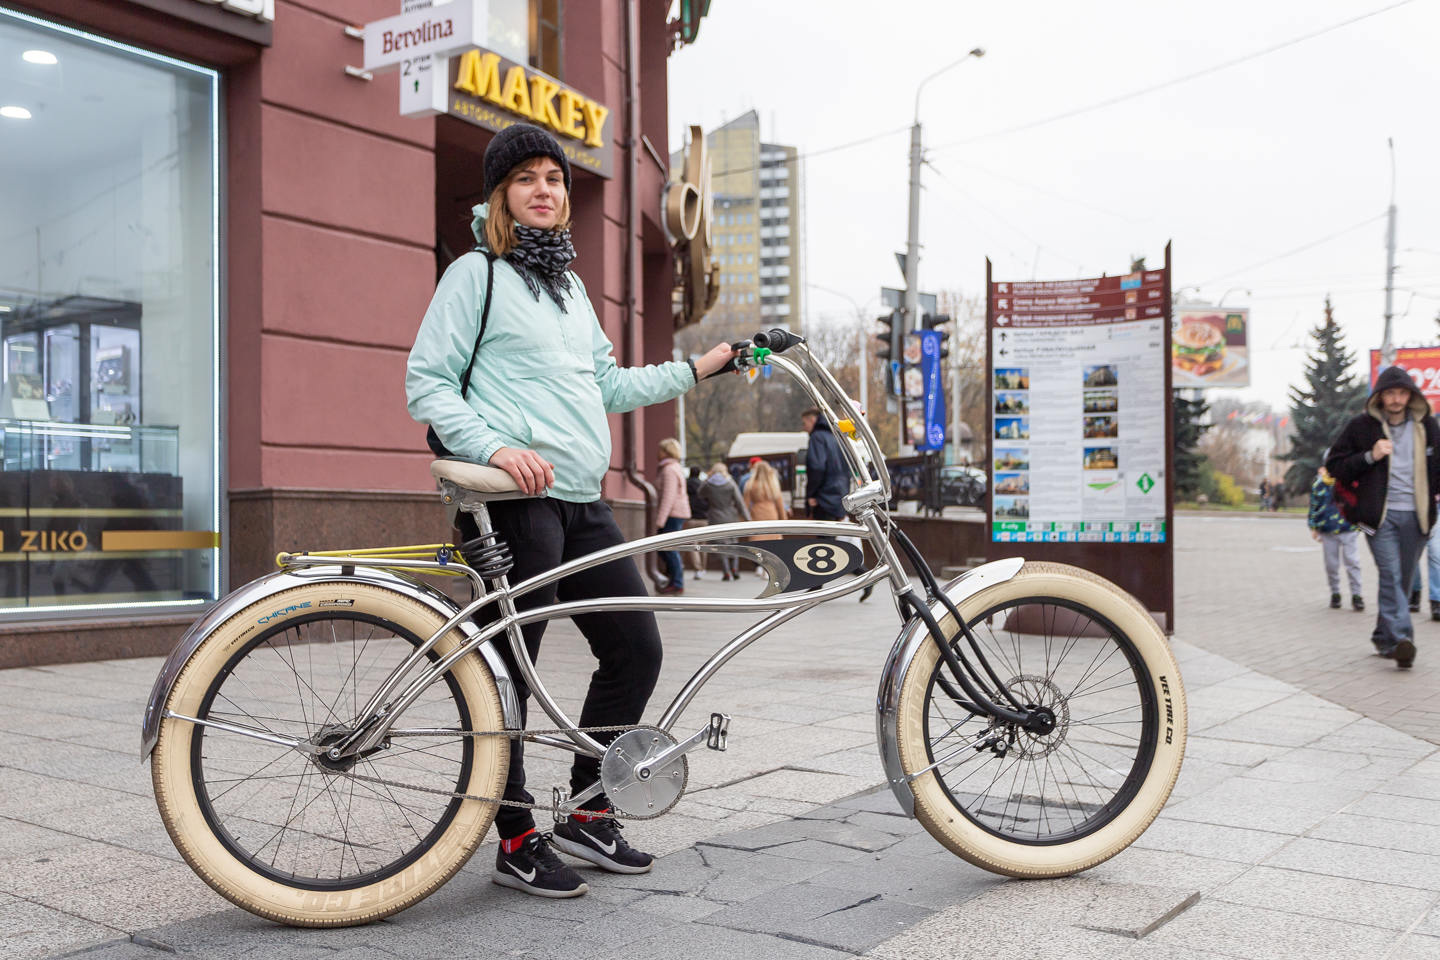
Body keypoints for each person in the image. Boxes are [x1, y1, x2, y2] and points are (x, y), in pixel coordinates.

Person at [406, 123, 736, 898]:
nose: (546, 189)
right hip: (515, 502)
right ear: (500, 195)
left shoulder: (567, 289)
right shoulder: (475, 276)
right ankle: (515, 837)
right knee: (512, 672)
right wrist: (492, 447)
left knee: (636, 647)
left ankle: (588, 813)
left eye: (554, 177)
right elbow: (429, 382)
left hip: (582, 499)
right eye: (526, 178)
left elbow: (609, 386)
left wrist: (699, 368)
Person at [1327, 365, 1440, 670]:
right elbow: (1335, 465)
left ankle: (1383, 636)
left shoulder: (1428, 426)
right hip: (1380, 518)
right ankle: (1402, 640)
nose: (1396, 398)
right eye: (1390, 392)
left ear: (1410, 396)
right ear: (1379, 396)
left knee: (1401, 581)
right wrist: (1370, 455)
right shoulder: (1362, 427)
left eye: (1402, 392)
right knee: (1390, 575)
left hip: (1417, 516)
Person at [801, 407, 871, 601]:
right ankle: (818, 586)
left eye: (805, 422)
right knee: (828, 544)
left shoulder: (818, 438)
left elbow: (816, 467)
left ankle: (863, 576)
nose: (804, 427)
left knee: (826, 545)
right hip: (837, 497)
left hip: (824, 498)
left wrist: (812, 495)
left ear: (813, 420)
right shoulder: (836, 437)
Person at [1307, 465, 1363, 611]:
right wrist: (1313, 527)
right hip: (1328, 530)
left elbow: (1360, 501)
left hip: (1348, 528)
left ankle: (1356, 595)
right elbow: (1314, 507)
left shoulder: (1349, 482)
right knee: (1331, 564)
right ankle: (1335, 593)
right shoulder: (1319, 485)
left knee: (1352, 562)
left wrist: (1361, 521)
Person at [698, 460, 750, 580]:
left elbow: (700, 494)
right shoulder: (730, 483)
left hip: (715, 516)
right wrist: (748, 518)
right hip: (731, 516)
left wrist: (707, 479)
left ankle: (726, 572)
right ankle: (735, 568)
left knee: (721, 545)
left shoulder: (708, 484)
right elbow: (739, 502)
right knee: (734, 543)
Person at [653, 438, 689, 595]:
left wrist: (660, 520)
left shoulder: (669, 470)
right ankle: (674, 579)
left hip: (672, 514)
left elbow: (668, 496)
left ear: (666, 452)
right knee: (666, 549)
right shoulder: (675, 467)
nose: (657, 453)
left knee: (669, 549)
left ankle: (677, 583)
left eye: (660, 450)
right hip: (675, 513)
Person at [685, 465, 707, 579]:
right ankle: (703, 568)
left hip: (691, 518)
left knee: (693, 545)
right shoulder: (704, 485)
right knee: (703, 545)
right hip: (704, 518)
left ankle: (697, 569)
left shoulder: (686, 484)